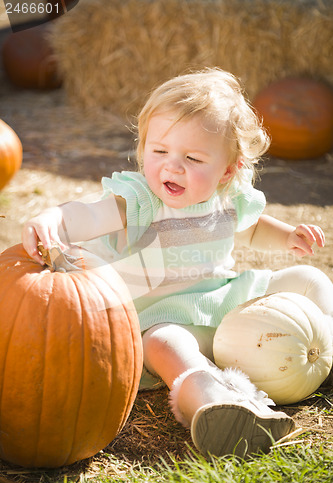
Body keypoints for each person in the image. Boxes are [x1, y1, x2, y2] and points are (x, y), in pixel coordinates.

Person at [22, 68, 333, 459]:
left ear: (227, 170)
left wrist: (287, 236)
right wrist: (55, 218)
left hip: (224, 300)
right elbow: (90, 214)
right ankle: (208, 396)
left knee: (308, 278)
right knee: (165, 343)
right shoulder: (139, 201)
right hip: (162, 315)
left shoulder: (228, 198)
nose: (172, 166)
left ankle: (327, 344)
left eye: (192, 157)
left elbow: (251, 231)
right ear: (144, 147)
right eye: (160, 152)